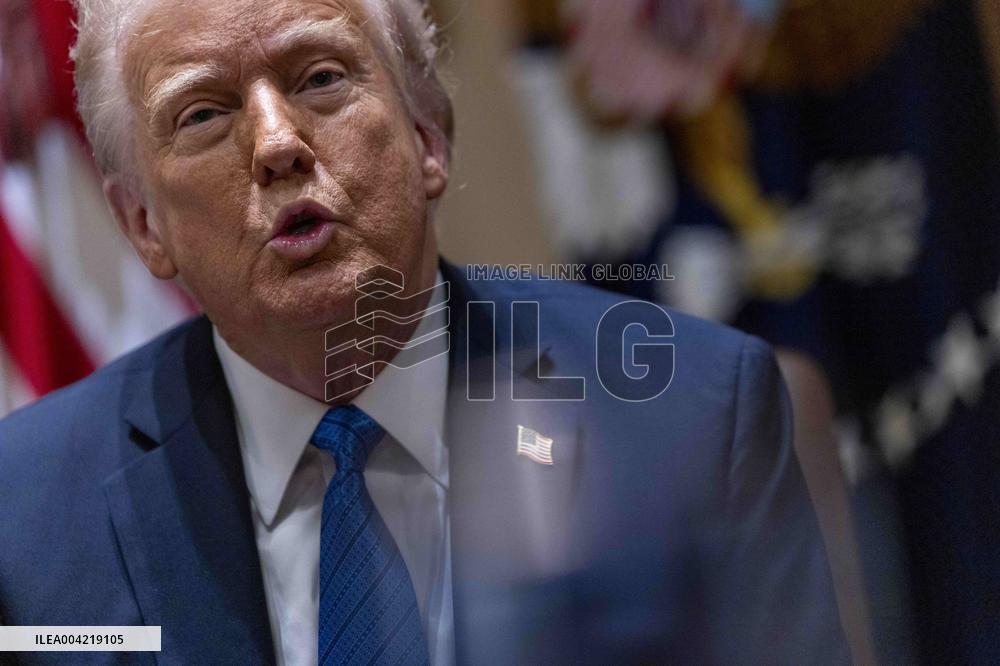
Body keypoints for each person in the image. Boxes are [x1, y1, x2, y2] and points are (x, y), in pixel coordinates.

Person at [0, 0, 849, 663]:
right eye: (202, 115)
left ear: (427, 133)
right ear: (142, 223)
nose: (276, 143)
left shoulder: (695, 421)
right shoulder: (28, 516)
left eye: (321, 77)